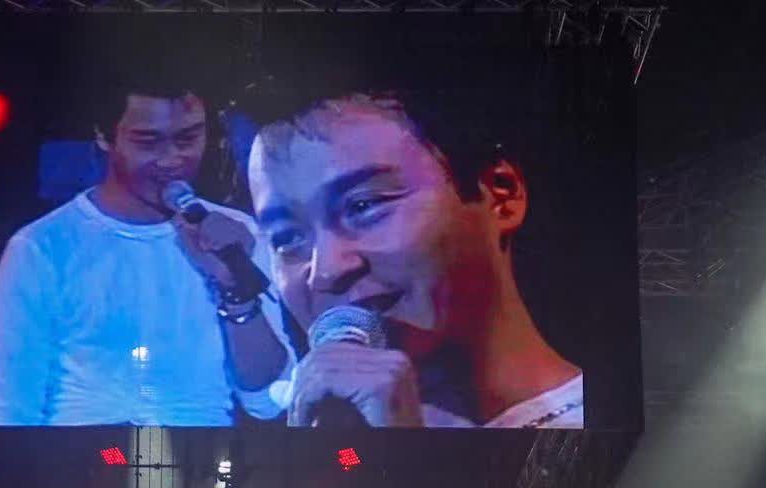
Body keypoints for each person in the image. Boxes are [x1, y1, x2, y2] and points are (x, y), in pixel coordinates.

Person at [246, 89, 583, 429]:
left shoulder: (587, 430)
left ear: (501, 196)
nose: (326, 271)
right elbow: (348, 460)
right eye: (287, 238)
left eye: (363, 205)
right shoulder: (338, 438)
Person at [0, 74, 291, 426]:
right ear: (103, 136)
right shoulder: (42, 247)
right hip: (86, 451)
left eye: (188, 138)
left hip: (199, 451)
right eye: (148, 142)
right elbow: (8, 410)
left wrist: (237, 291)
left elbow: (268, 399)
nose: (171, 160)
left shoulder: (237, 234)